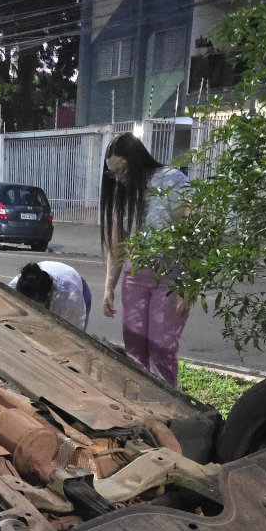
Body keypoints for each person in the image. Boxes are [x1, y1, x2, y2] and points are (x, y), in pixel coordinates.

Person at [101, 133, 191, 388]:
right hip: (135, 278)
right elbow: (117, 245)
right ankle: (138, 403)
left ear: (137, 161)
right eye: (113, 173)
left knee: (161, 349)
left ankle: (166, 404)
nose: (119, 178)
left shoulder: (171, 180)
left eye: (122, 170)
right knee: (134, 349)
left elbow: (193, 234)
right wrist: (109, 288)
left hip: (171, 280)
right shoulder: (121, 191)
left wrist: (188, 287)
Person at [10, 261, 92, 330]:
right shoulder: (12, 289)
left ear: (49, 296)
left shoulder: (70, 299)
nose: (31, 313)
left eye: (36, 308)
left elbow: (75, 333)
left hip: (75, 282)